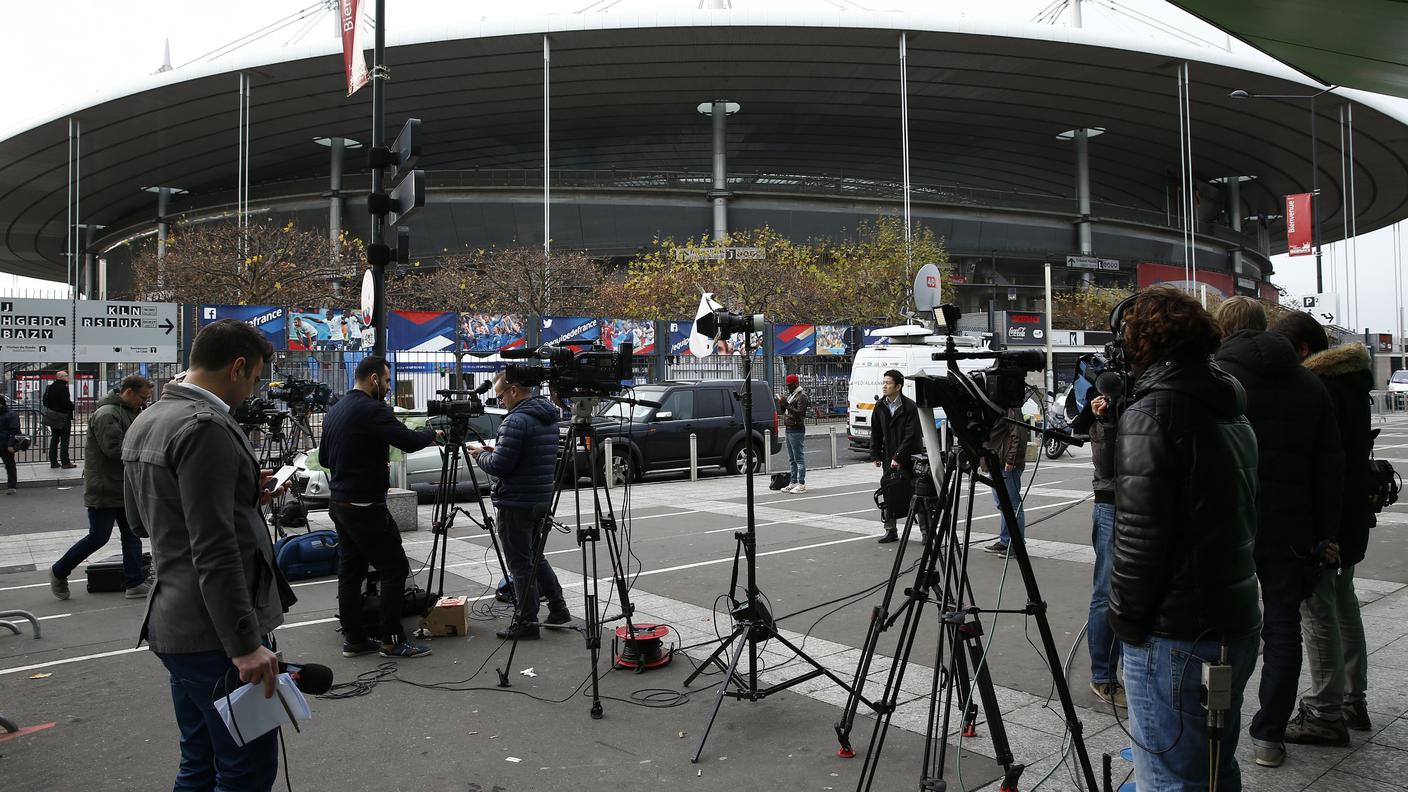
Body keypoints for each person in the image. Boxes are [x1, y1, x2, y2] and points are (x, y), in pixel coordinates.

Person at [122, 319, 295, 792]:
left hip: (172, 622)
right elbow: (215, 550)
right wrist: (244, 646)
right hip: (214, 633)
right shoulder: (207, 426)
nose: (252, 390)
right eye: (256, 378)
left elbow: (143, 523)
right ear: (238, 367)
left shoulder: (149, 418)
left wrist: (238, 498)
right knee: (245, 770)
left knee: (198, 763)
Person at [1110, 286, 1262, 791]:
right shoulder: (1229, 406)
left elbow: (1138, 542)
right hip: (1233, 618)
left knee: (1172, 778)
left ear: (1139, 343)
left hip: (1175, 630)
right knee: (1217, 768)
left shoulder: (1152, 414)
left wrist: (1126, 626)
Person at [1213, 296, 1343, 768]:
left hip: (1229, 526)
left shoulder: (1218, 381)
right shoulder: (1310, 384)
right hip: (1291, 528)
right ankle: (1269, 735)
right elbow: (1330, 467)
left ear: (1223, 332)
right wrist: (1325, 533)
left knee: (1220, 627)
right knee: (1284, 630)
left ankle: (1216, 729)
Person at [1274, 311, 1375, 742]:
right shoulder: (1351, 384)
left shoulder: (1319, 388)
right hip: (1351, 513)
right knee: (1343, 602)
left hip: (1325, 519)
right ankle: (1352, 699)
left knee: (1317, 610)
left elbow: (1315, 462)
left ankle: (1325, 713)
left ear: (1299, 350)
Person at [320, 355, 439, 659]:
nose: (388, 387)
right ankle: (392, 639)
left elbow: (323, 459)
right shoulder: (372, 409)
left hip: (340, 502)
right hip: (365, 504)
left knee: (351, 571)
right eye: (386, 381)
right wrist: (433, 433)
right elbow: (409, 441)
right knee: (394, 568)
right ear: (373, 379)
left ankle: (355, 639)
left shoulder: (336, 409)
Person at [469, 366, 572, 640]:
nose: (500, 401)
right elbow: (525, 455)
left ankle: (527, 621)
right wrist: (498, 450)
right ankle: (558, 608)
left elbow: (501, 466)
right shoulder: (547, 417)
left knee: (520, 563)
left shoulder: (515, 421)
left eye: (501, 395)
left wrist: (481, 455)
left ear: (514, 390)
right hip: (538, 497)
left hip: (516, 500)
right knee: (535, 557)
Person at [49, 376, 154, 601]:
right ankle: (59, 570)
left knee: (132, 534)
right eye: (143, 397)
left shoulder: (129, 411)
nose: (144, 402)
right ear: (128, 392)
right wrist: (147, 452)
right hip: (105, 487)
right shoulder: (107, 414)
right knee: (98, 537)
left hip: (124, 486)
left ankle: (134, 583)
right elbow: (114, 450)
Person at [1069, 379, 1123, 708]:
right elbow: (1104, 463)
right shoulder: (1105, 402)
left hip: (1148, 500)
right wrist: (1104, 420)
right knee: (1106, 590)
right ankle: (1103, 675)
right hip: (1113, 501)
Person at [869, 369, 922, 544]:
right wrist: (875, 453)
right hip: (888, 457)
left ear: (898, 386)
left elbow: (912, 435)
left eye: (888, 383)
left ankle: (926, 532)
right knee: (888, 491)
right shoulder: (880, 406)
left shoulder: (909, 407)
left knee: (917, 492)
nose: (884, 386)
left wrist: (899, 456)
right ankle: (890, 530)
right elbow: (875, 432)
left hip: (909, 458)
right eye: (883, 382)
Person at [981, 405, 1029, 555]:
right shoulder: (995, 407)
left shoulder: (1011, 408)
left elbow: (1018, 435)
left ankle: (1016, 545)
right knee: (1003, 505)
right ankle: (1006, 541)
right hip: (996, 462)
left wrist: (1011, 459)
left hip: (1005, 464)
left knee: (1013, 505)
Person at [779, 374, 809, 493]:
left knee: (799, 458)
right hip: (789, 428)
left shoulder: (802, 396)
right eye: (787, 386)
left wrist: (787, 405)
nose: (788, 388)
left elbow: (800, 413)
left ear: (795, 384)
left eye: (789, 386)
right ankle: (793, 482)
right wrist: (783, 404)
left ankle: (801, 484)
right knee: (792, 459)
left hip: (797, 429)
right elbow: (786, 412)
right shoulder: (792, 396)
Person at [42, 370, 77, 469]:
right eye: (66, 375)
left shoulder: (50, 387)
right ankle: (65, 462)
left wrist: (53, 408)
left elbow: (45, 402)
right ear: (60, 377)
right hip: (63, 416)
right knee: (65, 440)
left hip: (53, 417)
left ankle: (53, 462)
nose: (68, 377)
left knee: (54, 439)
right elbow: (66, 403)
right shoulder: (63, 388)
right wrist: (72, 406)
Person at [1, 395, 20, 494]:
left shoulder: (11, 415)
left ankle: (12, 485)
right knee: (10, 465)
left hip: (5, 444)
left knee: (9, 465)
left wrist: (11, 445)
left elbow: (15, 432)